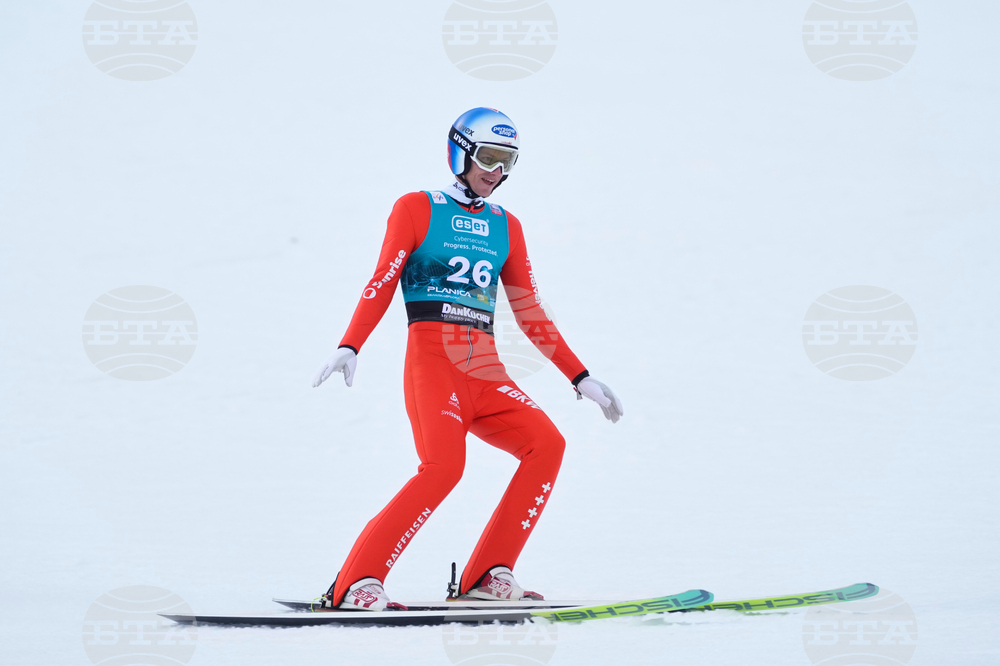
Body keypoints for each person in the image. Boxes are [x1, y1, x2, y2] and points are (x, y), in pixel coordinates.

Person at [311, 107, 624, 611]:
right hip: (433, 365)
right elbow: (382, 281)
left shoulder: (506, 225)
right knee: (443, 468)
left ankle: (486, 573)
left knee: (547, 444)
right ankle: (356, 584)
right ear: (461, 150)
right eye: (490, 157)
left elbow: (529, 309)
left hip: (485, 371)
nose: (497, 172)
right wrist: (351, 344)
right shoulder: (417, 207)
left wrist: (579, 376)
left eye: (509, 162)